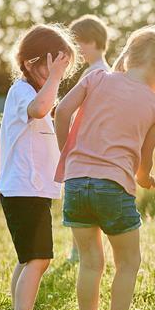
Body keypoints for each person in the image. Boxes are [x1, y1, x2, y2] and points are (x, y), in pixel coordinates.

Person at [54, 25, 155, 310]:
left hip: (76, 183)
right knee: (128, 261)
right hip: (112, 188)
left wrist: (68, 154)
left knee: (89, 262)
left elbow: (61, 112)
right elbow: (144, 161)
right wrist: (143, 178)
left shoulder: (97, 78)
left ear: (129, 56)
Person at [0, 24, 79, 310]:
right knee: (39, 259)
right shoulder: (23, 92)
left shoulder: (32, 92)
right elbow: (40, 109)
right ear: (32, 63)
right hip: (23, 191)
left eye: (64, 69)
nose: (59, 75)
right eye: (54, 66)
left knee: (28, 258)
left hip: (28, 191)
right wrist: (56, 79)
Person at [64, 14, 112, 263]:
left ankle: (80, 253)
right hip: (91, 148)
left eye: (77, 43)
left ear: (91, 41)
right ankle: (79, 251)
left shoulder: (97, 74)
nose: (74, 50)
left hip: (86, 148)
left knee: (82, 201)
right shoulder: (99, 73)